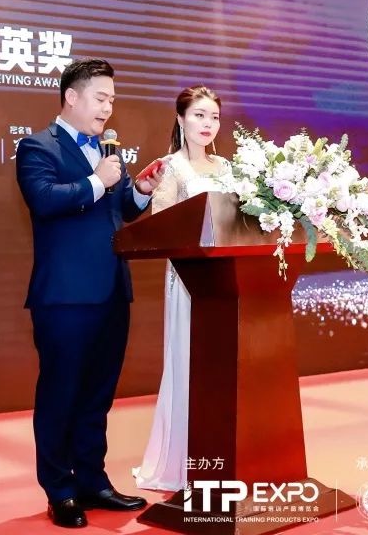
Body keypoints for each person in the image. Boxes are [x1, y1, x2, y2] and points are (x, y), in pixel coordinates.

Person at [15, 58, 164, 528]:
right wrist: (99, 179)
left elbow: (120, 211)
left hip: (112, 292)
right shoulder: (37, 147)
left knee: (98, 396)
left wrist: (141, 190)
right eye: (101, 98)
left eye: (112, 100)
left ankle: (93, 482)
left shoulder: (106, 151)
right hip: (64, 297)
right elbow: (45, 200)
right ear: (72, 96)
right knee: (60, 394)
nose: (107, 108)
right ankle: (59, 490)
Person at [133, 85, 229, 491]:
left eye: (214, 117)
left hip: (226, 281)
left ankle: (223, 455)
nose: (208, 124)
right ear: (180, 119)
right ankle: (183, 462)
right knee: (190, 363)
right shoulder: (170, 167)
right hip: (188, 280)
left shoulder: (227, 167)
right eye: (199, 115)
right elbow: (164, 227)